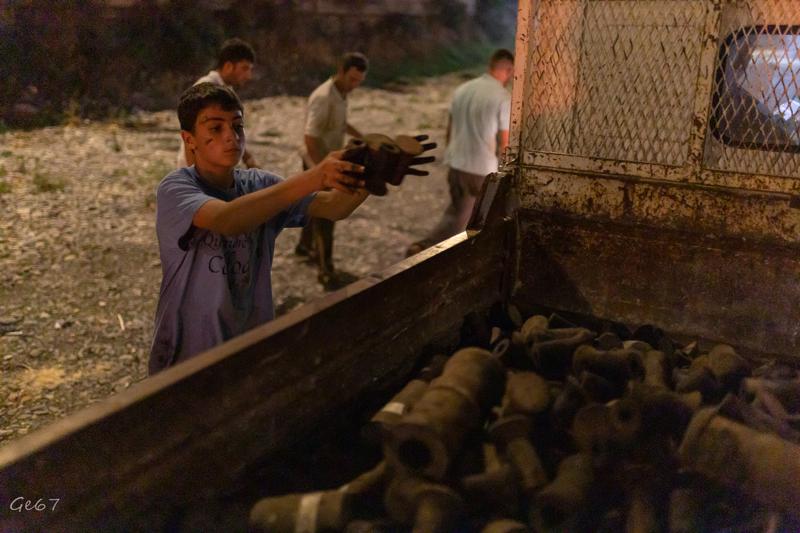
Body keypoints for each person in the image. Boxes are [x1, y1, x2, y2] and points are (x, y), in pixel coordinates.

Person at [150, 83, 434, 374]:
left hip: (249, 345)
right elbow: (227, 220)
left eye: (237, 126)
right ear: (189, 140)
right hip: (187, 353)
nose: (231, 136)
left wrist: (370, 176)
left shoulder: (258, 184)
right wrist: (315, 176)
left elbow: (333, 207)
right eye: (215, 128)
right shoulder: (176, 188)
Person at [406, 49, 514, 257]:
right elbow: (504, 142)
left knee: (460, 215)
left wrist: (452, 154)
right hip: (481, 169)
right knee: (465, 220)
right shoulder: (502, 97)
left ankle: (439, 255)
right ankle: (422, 250)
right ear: (508, 70)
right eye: (512, 72)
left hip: (456, 163)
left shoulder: (463, 89)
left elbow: (450, 128)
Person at [295, 52, 368, 290]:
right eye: (352, 79)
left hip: (329, 159)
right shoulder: (324, 97)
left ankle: (304, 247)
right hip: (317, 161)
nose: (355, 85)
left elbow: (341, 123)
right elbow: (310, 138)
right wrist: (322, 172)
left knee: (312, 207)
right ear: (341, 72)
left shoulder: (341, 93)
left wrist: (364, 138)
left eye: (359, 81)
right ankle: (326, 271)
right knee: (327, 216)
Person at [176, 37, 260, 169]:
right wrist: (195, 175)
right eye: (244, 68)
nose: (248, 75)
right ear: (228, 66)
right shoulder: (205, 88)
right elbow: (191, 134)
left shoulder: (225, 90)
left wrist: (248, 159)